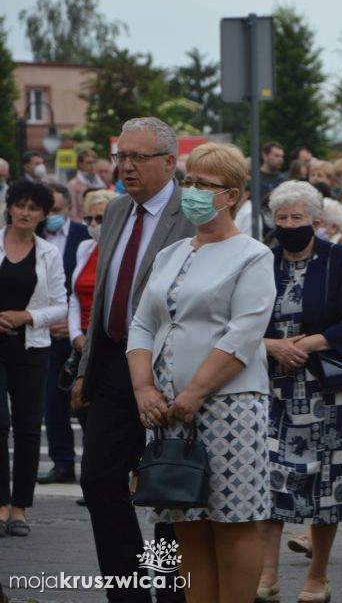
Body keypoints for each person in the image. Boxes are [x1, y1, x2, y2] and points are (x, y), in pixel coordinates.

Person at [127, 142, 275, 601]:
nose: (189, 191)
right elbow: (142, 322)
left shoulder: (252, 255)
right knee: (185, 521)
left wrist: (194, 393)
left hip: (228, 405)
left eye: (202, 184)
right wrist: (143, 387)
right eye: (187, 181)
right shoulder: (171, 253)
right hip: (168, 410)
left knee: (232, 521)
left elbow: (243, 333)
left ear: (230, 195)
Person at [75, 117, 195, 603]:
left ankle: (169, 591)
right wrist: (85, 371)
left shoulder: (192, 214)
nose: (125, 166)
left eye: (137, 158)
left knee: (168, 488)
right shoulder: (119, 210)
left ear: (168, 162)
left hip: (167, 372)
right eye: (121, 156)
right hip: (110, 368)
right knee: (100, 480)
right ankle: (127, 593)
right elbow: (105, 294)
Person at [256, 180, 342, 603]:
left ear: (316, 222)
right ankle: (267, 575)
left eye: (297, 218)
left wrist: (306, 344)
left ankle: (317, 577)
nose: (288, 225)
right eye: (282, 218)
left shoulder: (338, 258)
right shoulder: (263, 260)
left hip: (324, 387)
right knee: (268, 478)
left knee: (326, 482)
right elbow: (245, 321)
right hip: (272, 385)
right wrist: (274, 347)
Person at [0, 179, 66, 536]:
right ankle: (0, 505)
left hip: (32, 347)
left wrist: (29, 317)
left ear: (43, 215)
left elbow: (60, 305)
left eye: (34, 208)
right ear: (9, 205)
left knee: (27, 428)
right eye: (20, 205)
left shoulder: (48, 253)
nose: (26, 213)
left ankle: (20, 508)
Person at [37, 184, 89, 486]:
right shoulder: (34, 238)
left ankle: (92, 468)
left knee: (83, 405)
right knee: (52, 405)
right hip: (44, 332)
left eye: (57, 210)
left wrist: (69, 325)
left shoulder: (84, 237)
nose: (51, 217)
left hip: (77, 335)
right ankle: (62, 462)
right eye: (48, 211)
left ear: (68, 208)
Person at [68, 190, 118, 359]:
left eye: (100, 218)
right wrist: (75, 335)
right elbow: (75, 296)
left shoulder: (123, 252)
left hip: (109, 339)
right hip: (81, 335)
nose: (94, 225)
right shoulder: (85, 248)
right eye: (89, 219)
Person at [66, 149, 106, 222]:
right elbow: (72, 211)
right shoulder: (73, 185)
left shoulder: (101, 183)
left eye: (94, 162)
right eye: (89, 163)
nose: (93, 165)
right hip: (82, 224)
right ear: (80, 164)